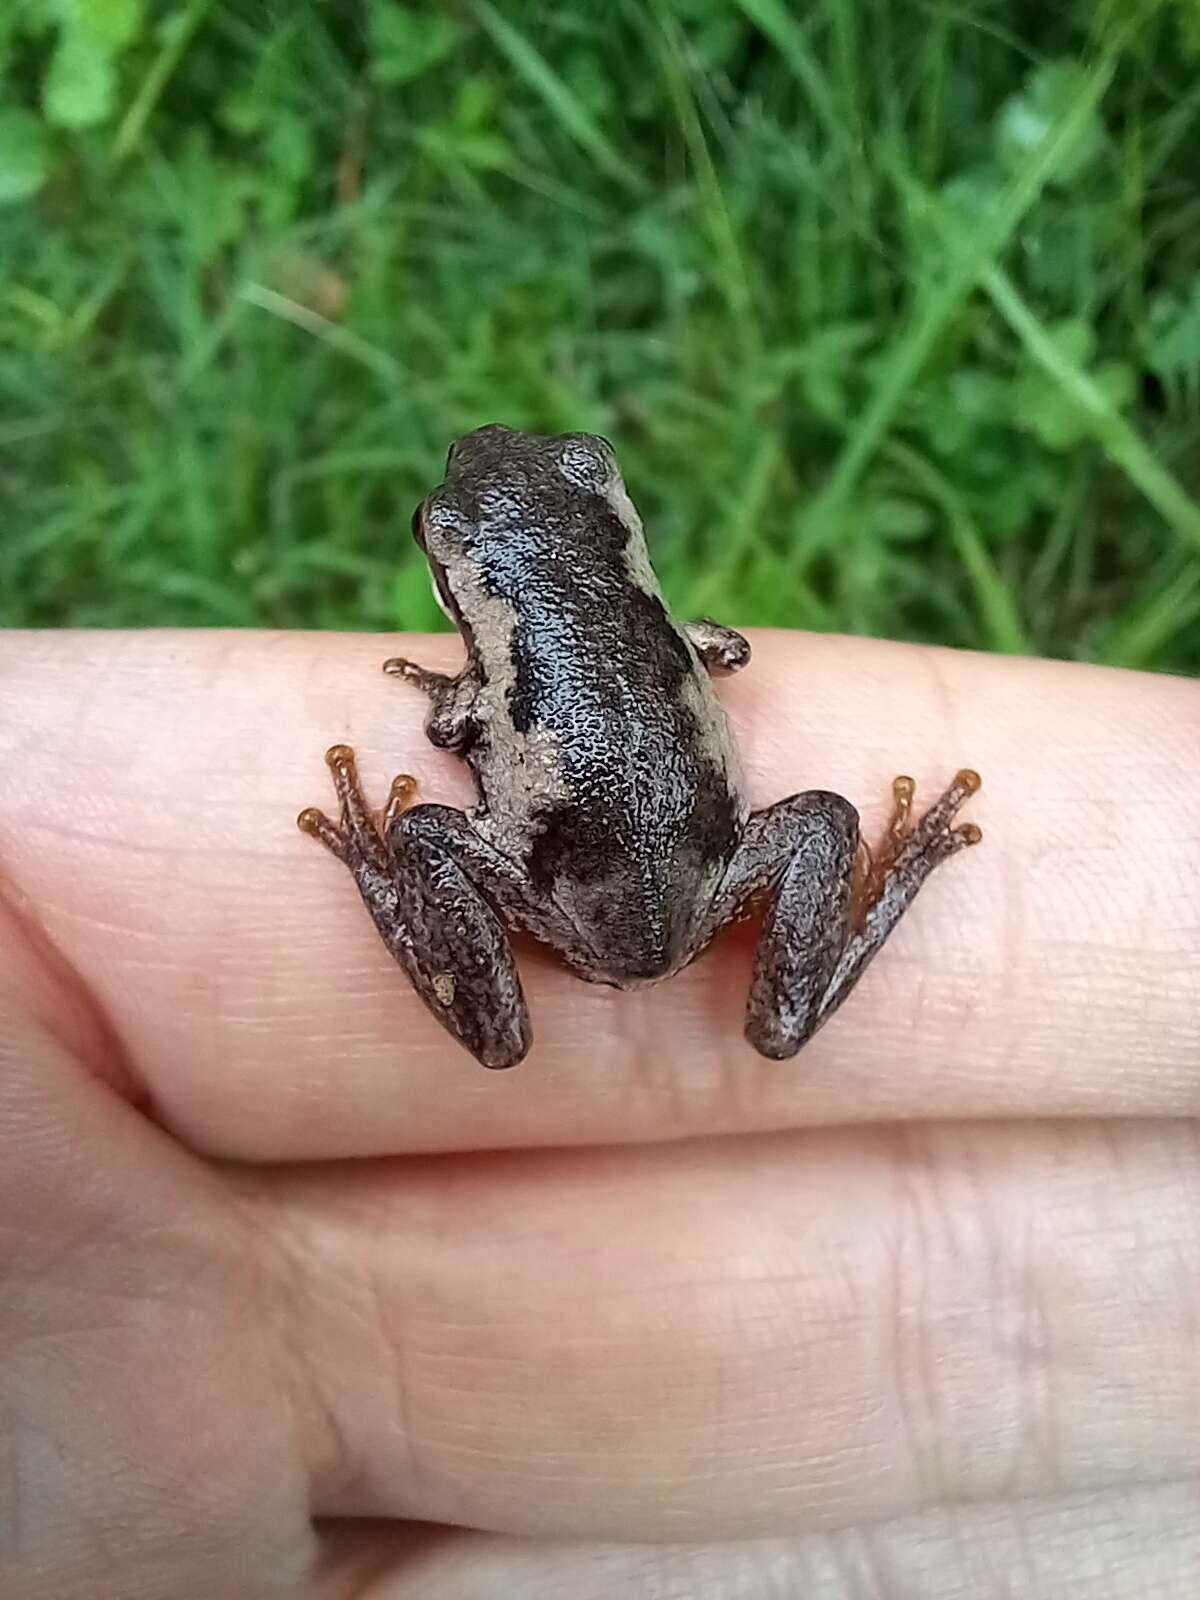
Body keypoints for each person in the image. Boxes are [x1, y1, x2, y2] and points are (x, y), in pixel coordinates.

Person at [1, 627, 1196, 1599]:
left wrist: (459, 705)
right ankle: (868, 910)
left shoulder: (501, 666)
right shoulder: (676, 628)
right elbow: (715, 652)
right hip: (701, 884)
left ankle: (400, 885)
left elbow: (454, 726)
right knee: (825, 824)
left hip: (565, 911)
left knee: (424, 832)